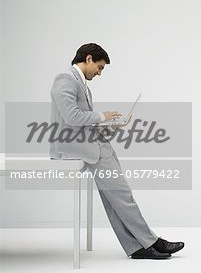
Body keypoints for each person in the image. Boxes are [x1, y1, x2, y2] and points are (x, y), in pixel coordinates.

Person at [49, 43, 184, 259]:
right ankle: (153, 241)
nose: (100, 73)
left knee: (114, 198)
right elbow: (71, 117)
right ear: (89, 58)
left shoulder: (81, 84)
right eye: (100, 67)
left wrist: (112, 125)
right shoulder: (65, 79)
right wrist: (103, 117)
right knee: (122, 195)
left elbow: (83, 122)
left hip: (90, 142)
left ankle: (137, 248)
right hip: (75, 145)